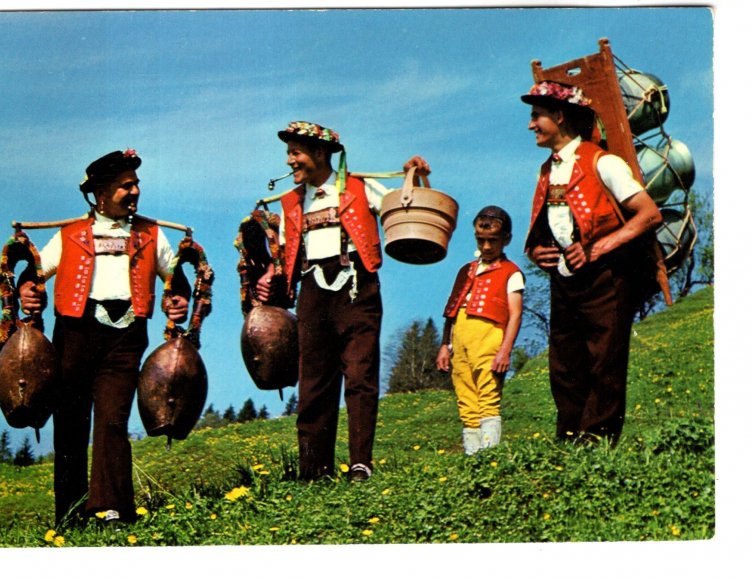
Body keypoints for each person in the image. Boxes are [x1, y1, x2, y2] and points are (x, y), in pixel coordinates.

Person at [19, 149, 190, 524]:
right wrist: (27, 290)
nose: (134, 192)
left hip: (126, 337)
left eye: (135, 185)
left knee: (113, 419)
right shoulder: (70, 235)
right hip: (75, 334)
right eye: (124, 186)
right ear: (100, 194)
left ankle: (110, 507)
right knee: (70, 421)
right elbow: (35, 274)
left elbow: (175, 279)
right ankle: (70, 511)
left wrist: (178, 300)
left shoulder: (151, 234)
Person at [256, 121, 430, 482]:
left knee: (360, 376)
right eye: (288, 153)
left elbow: (405, 207)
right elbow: (285, 254)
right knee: (313, 384)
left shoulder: (359, 188)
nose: (290, 161)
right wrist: (269, 276)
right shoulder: (290, 202)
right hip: (312, 294)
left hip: (357, 289)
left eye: (296, 153)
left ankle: (360, 464)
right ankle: (311, 470)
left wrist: (414, 176)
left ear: (320, 153)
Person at [521, 81, 663, 445]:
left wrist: (599, 249)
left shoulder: (604, 162)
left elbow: (648, 215)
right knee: (564, 366)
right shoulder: (546, 171)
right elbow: (546, 227)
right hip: (565, 279)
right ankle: (569, 442)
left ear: (560, 116)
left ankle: (596, 443)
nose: (531, 124)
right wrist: (538, 252)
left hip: (607, 277)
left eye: (537, 116)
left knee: (604, 362)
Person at [436, 206, 524, 454]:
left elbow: (515, 313)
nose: (486, 246)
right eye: (481, 240)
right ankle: (472, 455)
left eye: (492, 241)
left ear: (505, 239)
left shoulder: (511, 273)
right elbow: (452, 309)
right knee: (465, 395)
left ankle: (489, 453)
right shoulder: (466, 270)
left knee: (488, 394)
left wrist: (505, 351)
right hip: (460, 337)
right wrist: (445, 344)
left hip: (488, 336)